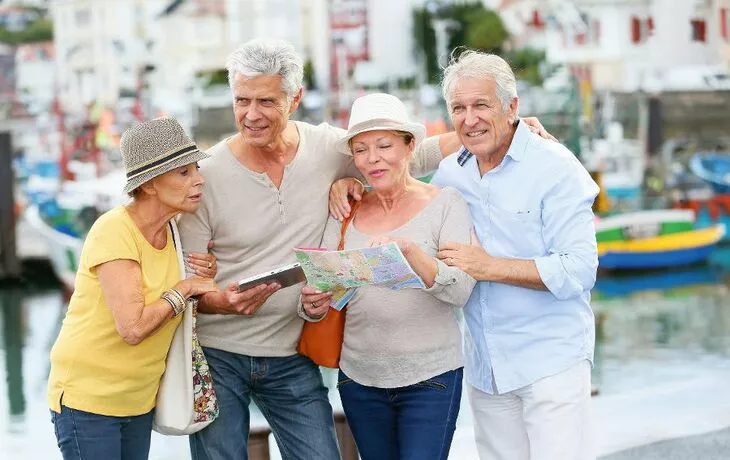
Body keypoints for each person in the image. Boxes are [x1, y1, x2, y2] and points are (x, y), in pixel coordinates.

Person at [177, 38, 553, 460]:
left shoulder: (328, 149)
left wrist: (506, 127)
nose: (251, 114)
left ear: (295, 98)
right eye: (242, 100)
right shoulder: (204, 176)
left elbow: (410, 153)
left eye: (266, 100)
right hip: (220, 353)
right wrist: (220, 301)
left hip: (292, 352)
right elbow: (191, 281)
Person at [432, 50, 600, 460]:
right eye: (459, 107)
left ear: (512, 108)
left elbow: (580, 269)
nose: (469, 118)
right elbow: (394, 175)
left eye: (481, 105)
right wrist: (346, 186)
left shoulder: (555, 167)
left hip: (551, 362)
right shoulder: (450, 173)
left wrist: (488, 267)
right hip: (486, 368)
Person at [300, 93, 476, 460]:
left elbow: (461, 290)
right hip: (360, 378)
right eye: (361, 150)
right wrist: (312, 304)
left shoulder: (447, 203)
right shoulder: (344, 209)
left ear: (410, 146)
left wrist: (410, 253)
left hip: (432, 376)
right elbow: (326, 290)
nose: (372, 159)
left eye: (384, 145)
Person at [47, 117, 219, 460]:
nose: (199, 179)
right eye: (183, 172)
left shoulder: (173, 231)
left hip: (138, 400)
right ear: (151, 184)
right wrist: (185, 288)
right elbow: (134, 327)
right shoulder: (113, 230)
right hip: (88, 401)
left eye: (196, 168)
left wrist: (205, 272)